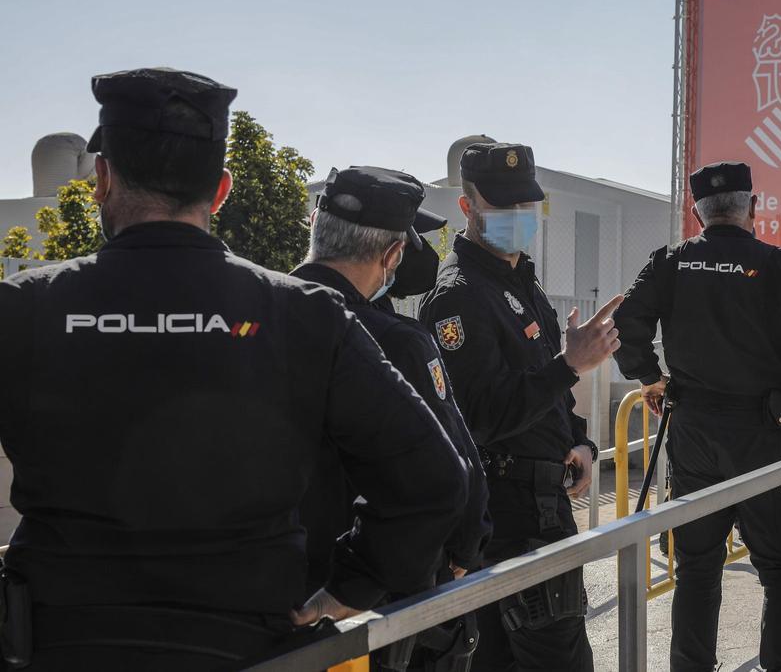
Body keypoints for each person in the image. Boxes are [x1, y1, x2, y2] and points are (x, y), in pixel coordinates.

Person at [0, 68, 468, 670]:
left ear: (102, 179)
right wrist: (352, 585)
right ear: (220, 191)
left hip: (59, 644)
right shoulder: (302, 315)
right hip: (251, 647)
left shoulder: (21, 308)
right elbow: (433, 480)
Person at [613, 161, 781, 672]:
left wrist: (651, 377)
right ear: (752, 208)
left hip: (693, 433)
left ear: (697, 212)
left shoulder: (672, 262)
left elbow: (628, 320)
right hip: (764, 436)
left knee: (696, 567)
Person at [420, 143, 618, 672]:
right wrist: (568, 365)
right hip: (505, 513)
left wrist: (578, 438)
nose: (518, 217)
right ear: (467, 207)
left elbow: (545, 389)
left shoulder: (521, 280)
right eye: (502, 207)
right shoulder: (457, 296)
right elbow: (481, 415)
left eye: (525, 206)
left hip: (543, 501)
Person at [291, 166, 492, 670]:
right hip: (377, 599)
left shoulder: (251, 319)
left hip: (277, 592)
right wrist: (465, 552)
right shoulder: (399, 340)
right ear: (392, 256)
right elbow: (455, 467)